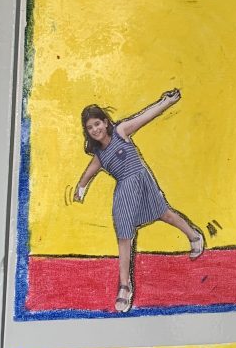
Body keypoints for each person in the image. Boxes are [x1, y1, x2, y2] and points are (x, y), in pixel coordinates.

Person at [74, 90, 204, 313]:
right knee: (124, 233)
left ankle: (194, 236)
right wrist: (80, 189)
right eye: (90, 127)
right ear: (87, 132)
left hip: (142, 181)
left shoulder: (121, 131)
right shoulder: (100, 156)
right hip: (125, 190)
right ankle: (124, 286)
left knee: (164, 213)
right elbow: (88, 174)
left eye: (97, 123)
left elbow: (145, 116)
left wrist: (166, 102)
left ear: (105, 122)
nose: (95, 129)